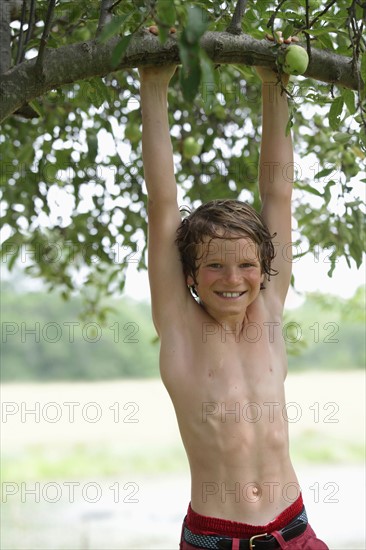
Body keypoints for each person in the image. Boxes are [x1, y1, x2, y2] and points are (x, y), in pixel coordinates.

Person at [138, 27, 329, 550]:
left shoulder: (267, 311)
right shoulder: (179, 327)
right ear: (189, 275)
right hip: (217, 539)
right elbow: (161, 204)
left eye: (246, 264)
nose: (233, 279)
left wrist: (275, 85)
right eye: (215, 266)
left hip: (296, 532)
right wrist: (153, 87)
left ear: (264, 269)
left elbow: (278, 191)